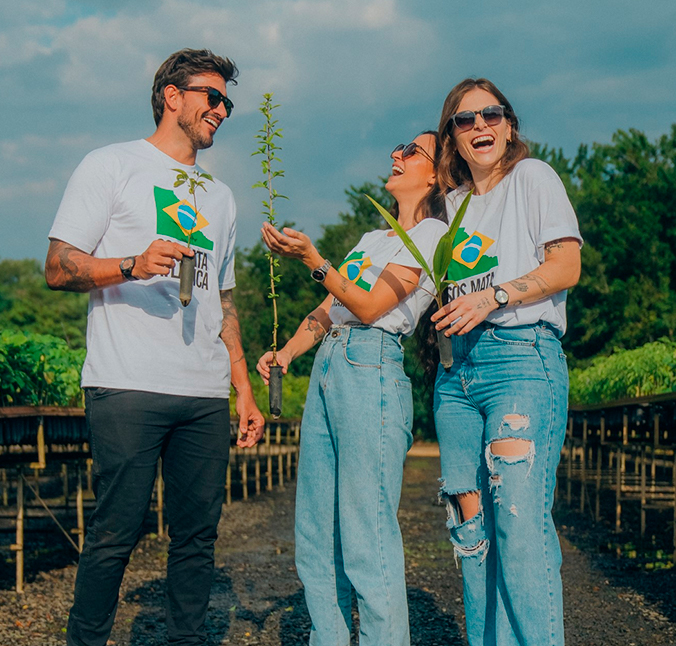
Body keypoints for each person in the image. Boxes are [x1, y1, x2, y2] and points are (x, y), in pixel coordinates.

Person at [45, 48, 265, 646]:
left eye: (228, 102)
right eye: (212, 97)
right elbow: (58, 267)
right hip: (128, 382)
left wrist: (243, 390)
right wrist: (131, 264)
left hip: (203, 391)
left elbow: (225, 301)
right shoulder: (111, 165)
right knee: (115, 532)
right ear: (173, 95)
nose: (221, 109)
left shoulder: (218, 197)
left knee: (198, 538)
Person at [257, 132, 448, 646]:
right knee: (316, 530)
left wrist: (314, 261)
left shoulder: (432, 236)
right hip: (329, 363)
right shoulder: (370, 240)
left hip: (372, 366)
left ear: (435, 173)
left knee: (367, 531)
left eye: (411, 150)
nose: (397, 154)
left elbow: (367, 308)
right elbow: (329, 310)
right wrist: (288, 353)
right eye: (398, 148)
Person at [430, 78, 582, 646]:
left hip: (520, 360)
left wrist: (493, 296)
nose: (480, 127)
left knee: (519, 526)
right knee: (470, 531)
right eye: (464, 121)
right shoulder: (451, 206)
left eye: (490, 115)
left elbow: (565, 266)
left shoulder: (533, 178)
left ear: (509, 124)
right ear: (453, 136)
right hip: (456, 377)